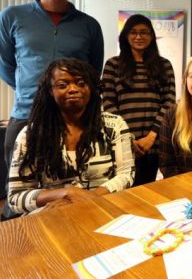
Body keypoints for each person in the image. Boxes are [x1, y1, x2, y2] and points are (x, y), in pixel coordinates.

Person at [0, 0, 103, 218]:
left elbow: (92, 72)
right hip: (26, 115)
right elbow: (6, 65)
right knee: (19, 194)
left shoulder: (89, 25)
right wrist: (34, 94)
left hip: (74, 120)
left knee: (71, 189)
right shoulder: (12, 16)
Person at [7, 58, 134, 215]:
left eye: (81, 83)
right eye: (62, 85)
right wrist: (65, 193)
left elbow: (126, 175)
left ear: (91, 88)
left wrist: (90, 198)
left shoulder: (114, 126)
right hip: (52, 214)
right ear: (50, 91)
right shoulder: (31, 135)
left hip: (102, 208)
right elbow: (15, 198)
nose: (73, 89)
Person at [102, 14, 176, 186]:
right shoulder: (113, 65)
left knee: (146, 189)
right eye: (133, 32)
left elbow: (168, 103)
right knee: (120, 190)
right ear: (126, 36)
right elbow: (109, 103)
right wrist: (129, 139)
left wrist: (151, 137)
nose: (138, 37)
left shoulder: (164, 65)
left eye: (144, 32)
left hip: (154, 143)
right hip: (122, 142)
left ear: (151, 36)